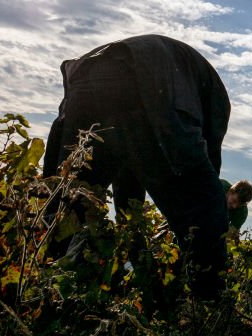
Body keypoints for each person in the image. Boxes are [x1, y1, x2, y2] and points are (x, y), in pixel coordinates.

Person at [43, 34, 231, 299]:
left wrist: (134, 242)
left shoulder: (187, 84)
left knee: (66, 205)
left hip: (88, 75)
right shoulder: (213, 102)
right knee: (208, 207)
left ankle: (47, 293)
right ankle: (204, 307)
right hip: (145, 80)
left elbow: (129, 174)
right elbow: (203, 175)